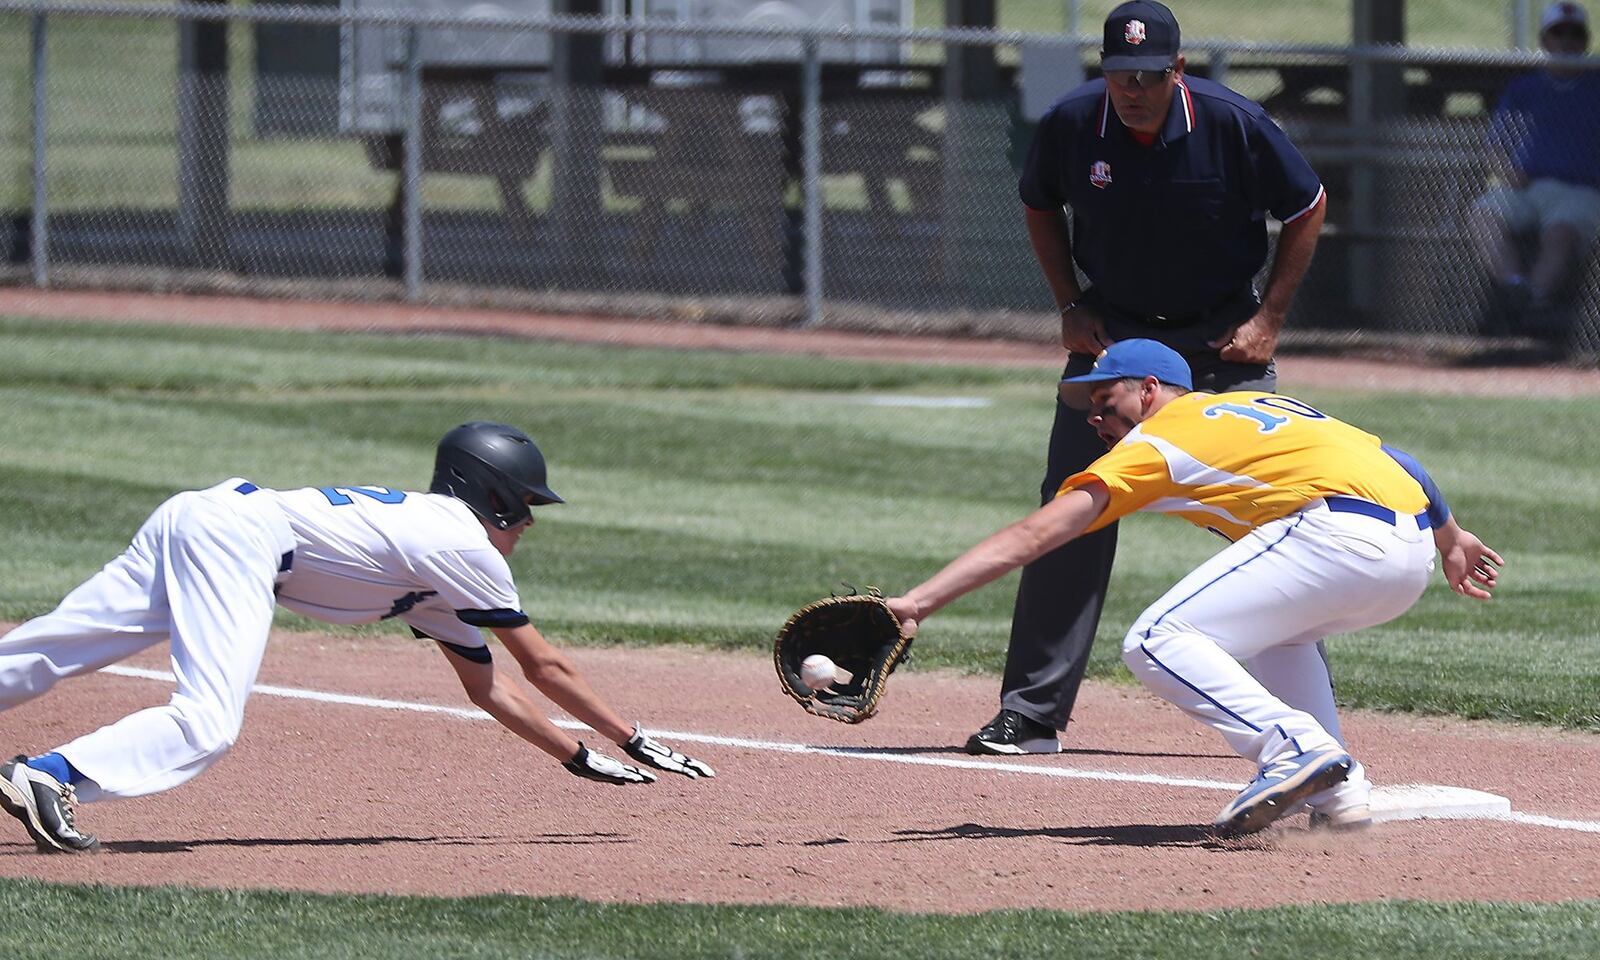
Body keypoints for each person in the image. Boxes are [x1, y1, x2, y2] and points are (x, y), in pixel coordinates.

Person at [0, 421, 715, 854]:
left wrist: (576, 755)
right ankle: (52, 776)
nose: (530, 522)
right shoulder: (461, 541)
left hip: (205, 518)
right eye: (526, 505)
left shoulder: (437, 569)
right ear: (493, 495)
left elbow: (489, 685)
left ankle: (49, 774)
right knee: (209, 722)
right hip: (241, 541)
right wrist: (633, 736)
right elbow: (545, 666)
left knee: (56, 647)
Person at [889, 340, 1501, 833]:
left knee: (1155, 638)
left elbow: (1036, 534)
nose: (1097, 420)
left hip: (1335, 538)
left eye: (1106, 401)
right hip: (1407, 557)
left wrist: (920, 601)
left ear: (1149, 391)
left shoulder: (1157, 439)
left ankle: (1291, 748)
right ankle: (1340, 793)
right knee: (1275, 637)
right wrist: (1451, 536)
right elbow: (1399, 457)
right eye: (1090, 410)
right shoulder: (1266, 409)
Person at [975, 0, 1328, 755]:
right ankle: (1032, 713)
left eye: (1147, 74)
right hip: (1117, 342)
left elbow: (1307, 204)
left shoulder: (1232, 123)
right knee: (1073, 508)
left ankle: (1306, 722)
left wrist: (1269, 319)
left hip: (1221, 343)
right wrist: (1067, 302)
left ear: (1177, 71)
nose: (1131, 87)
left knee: (1276, 519)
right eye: (1118, 73)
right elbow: (1038, 203)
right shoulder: (1074, 123)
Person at [1469, 1, 1600, 341]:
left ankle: (1530, 304)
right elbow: (1494, 148)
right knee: (1484, 215)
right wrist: (1505, 170)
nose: (1567, 42)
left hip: (1580, 189)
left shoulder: (1596, 87)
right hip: (1525, 187)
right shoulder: (1524, 89)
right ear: (1544, 40)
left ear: (1585, 42)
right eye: (1559, 34)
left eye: (1575, 35)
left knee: (1561, 231)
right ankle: (1516, 290)